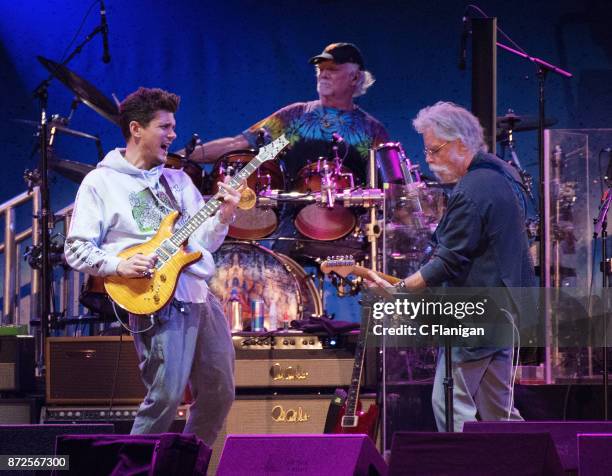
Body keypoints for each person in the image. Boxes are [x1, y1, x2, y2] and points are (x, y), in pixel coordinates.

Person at [64, 87, 241, 445]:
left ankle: (187, 465)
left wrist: (224, 215)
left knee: (220, 393)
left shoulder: (178, 180)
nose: (173, 135)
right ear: (136, 129)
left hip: (199, 297)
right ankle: (133, 469)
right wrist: (119, 264)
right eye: (165, 126)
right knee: (165, 398)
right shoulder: (101, 183)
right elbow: (76, 249)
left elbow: (203, 243)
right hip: (155, 302)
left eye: (173, 127)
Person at [369, 101, 533, 432]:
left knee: (450, 405)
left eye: (434, 150)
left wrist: (400, 291)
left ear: (461, 143)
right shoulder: (500, 176)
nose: (428, 159)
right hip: (504, 314)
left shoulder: (473, 189)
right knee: (499, 413)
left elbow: (448, 259)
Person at [188, 42, 389, 185]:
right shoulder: (294, 116)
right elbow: (238, 145)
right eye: (321, 69)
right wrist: (180, 158)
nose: (324, 74)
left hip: (351, 234)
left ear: (355, 78)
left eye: (333, 69)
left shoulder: (372, 130)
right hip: (293, 227)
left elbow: (391, 186)